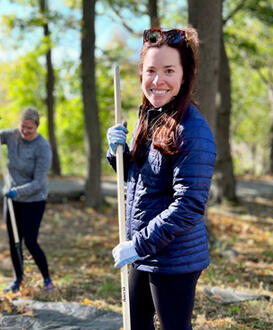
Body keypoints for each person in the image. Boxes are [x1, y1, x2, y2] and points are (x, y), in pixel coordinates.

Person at [106, 27, 216, 330]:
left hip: (174, 258)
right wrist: (117, 154)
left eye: (169, 70)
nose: (158, 80)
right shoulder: (150, 116)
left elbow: (189, 205)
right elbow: (141, 182)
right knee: (135, 324)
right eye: (150, 70)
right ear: (141, 74)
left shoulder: (192, 130)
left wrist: (137, 245)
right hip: (145, 251)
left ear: (184, 75)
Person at [0, 107, 54, 292]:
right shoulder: (12, 136)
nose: (25, 131)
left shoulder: (43, 147)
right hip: (12, 198)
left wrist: (17, 192)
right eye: (23, 126)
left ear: (37, 126)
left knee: (30, 241)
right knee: (14, 240)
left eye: (30, 128)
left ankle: (47, 279)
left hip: (34, 199)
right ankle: (18, 279)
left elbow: (38, 182)